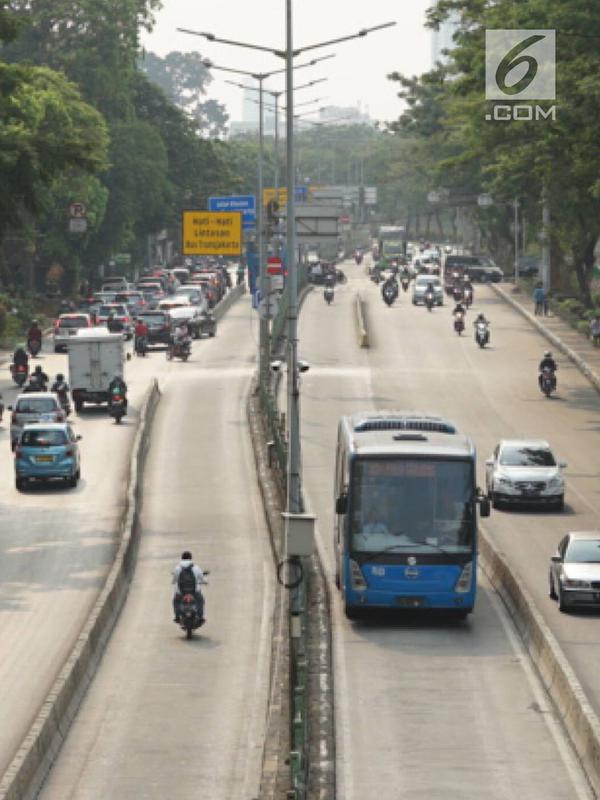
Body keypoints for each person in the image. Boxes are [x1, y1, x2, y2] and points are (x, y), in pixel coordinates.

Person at [172, 550, 206, 623]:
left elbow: (174, 579)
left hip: (181, 591)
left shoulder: (177, 568)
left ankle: (177, 616)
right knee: (200, 601)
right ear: (191, 558)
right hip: (195, 591)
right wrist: (204, 582)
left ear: (182, 558)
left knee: (176, 601)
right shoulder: (196, 567)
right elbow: (202, 578)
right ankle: (200, 617)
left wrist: (173, 582)